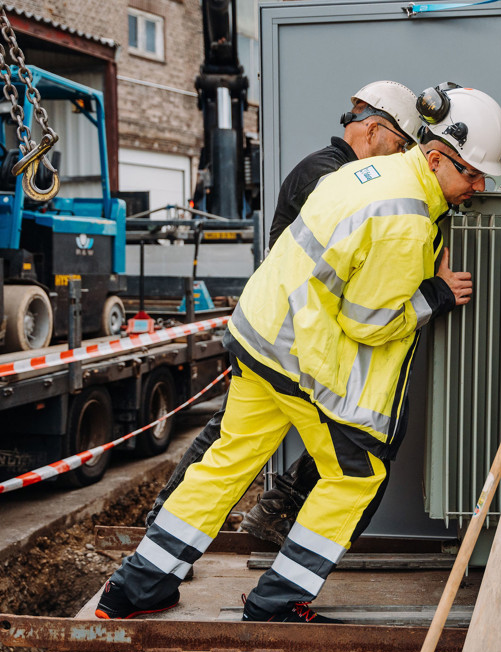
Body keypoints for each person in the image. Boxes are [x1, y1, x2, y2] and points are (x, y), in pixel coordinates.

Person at [96, 84, 501, 624]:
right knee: (355, 478)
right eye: (470, 175)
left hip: (260, 336)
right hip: (298, 357)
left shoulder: (370, 176)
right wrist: (434, 295)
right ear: (434, 158)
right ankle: (278, 601)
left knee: (226, 462)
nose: (475, 188)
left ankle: (135, 589)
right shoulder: (406, 219)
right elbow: (371, 321)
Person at [145, 81, 422, 544]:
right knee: (230, 441)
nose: (400, 159)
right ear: (373, 130)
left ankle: (273, 509)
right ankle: (165, 523)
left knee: (358, 421)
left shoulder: (341, 172)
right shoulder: (328, 175)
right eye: (399, 145)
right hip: (287, 333)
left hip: (308, 332)